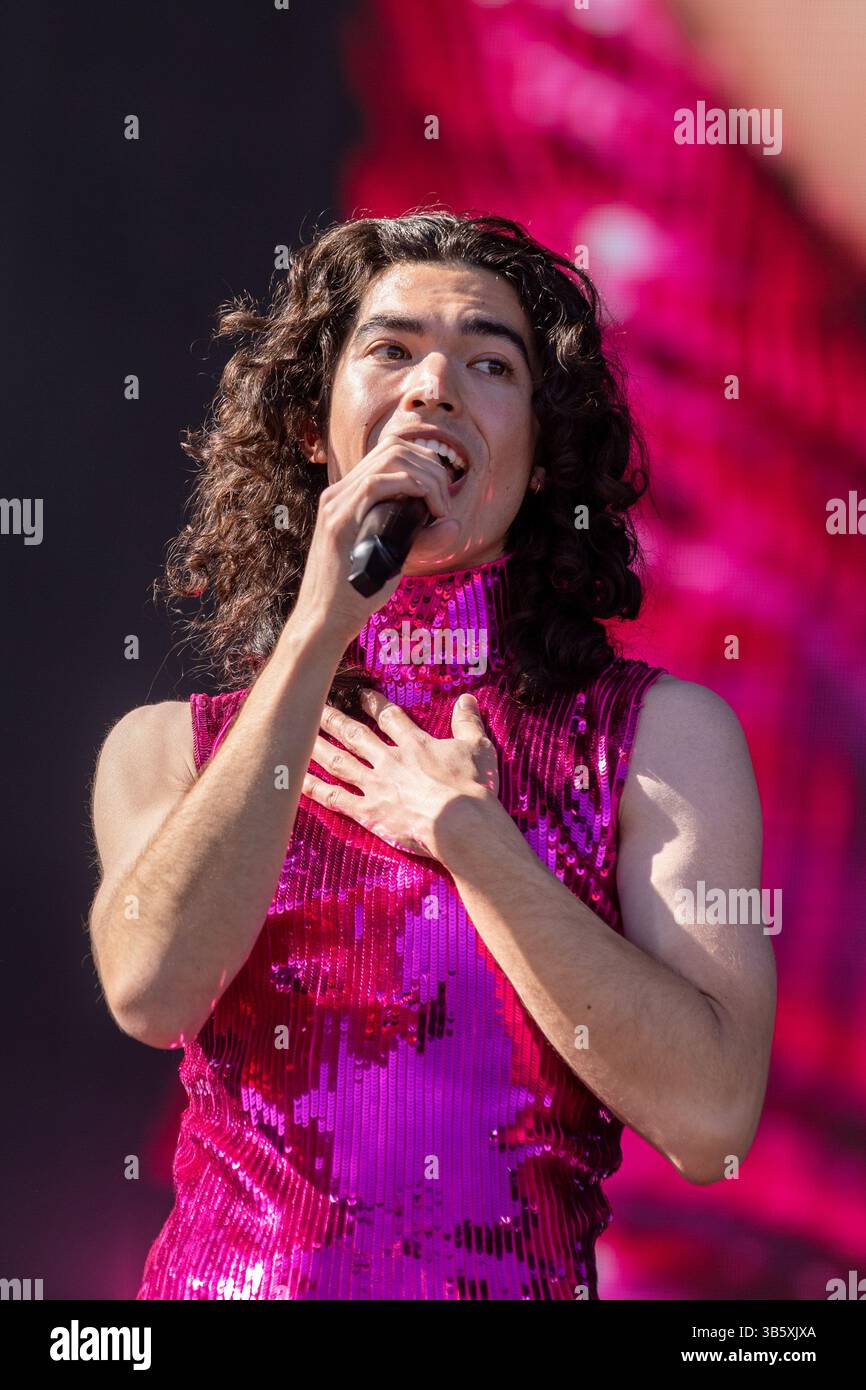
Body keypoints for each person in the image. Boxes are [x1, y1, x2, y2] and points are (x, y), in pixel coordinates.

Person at [88, 211, 776, 1301]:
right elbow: (152, 988)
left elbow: (710, 1121)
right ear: (314, 430)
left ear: (542, 455)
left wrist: (477, 846)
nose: (433, 387)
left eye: (488, 362)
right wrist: (317, 630)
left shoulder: (656, 739)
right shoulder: (169, 747)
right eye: (391, 349)